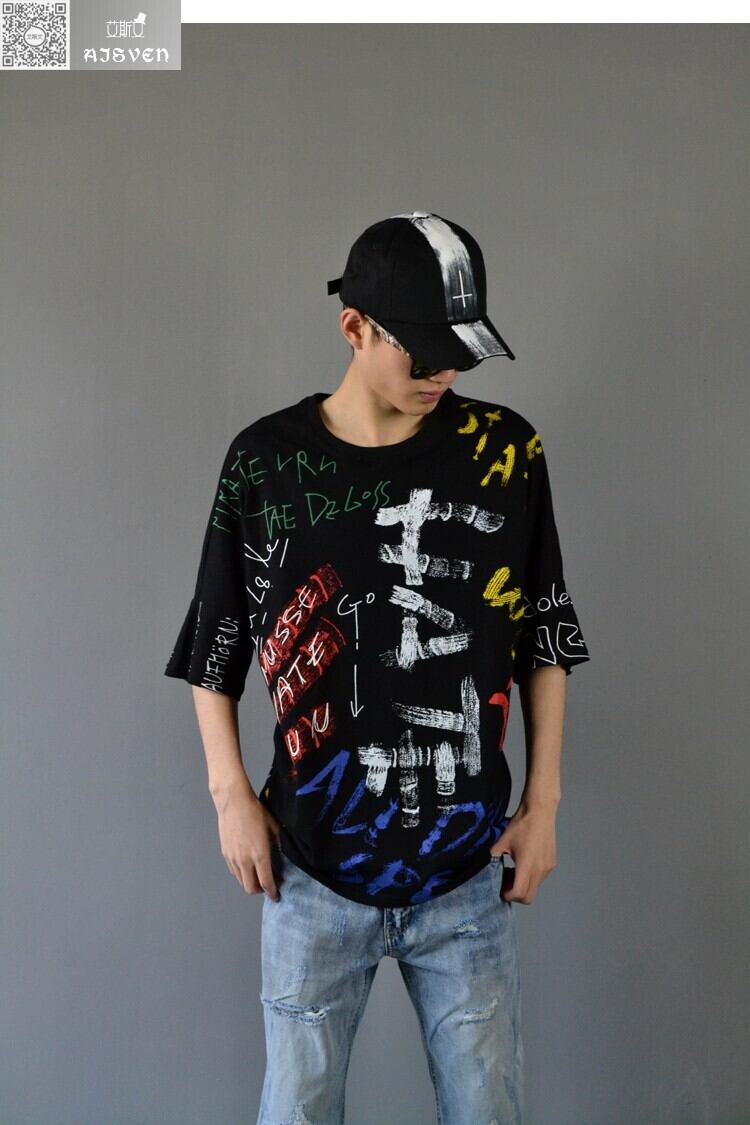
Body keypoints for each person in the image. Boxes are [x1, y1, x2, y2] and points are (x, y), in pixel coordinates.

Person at [164, 210, 591, 1125]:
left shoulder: (505, 452)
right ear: (354, 327)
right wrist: (230, 797)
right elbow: (215, 645)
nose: (444, 375)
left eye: (460, 356)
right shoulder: (266, 464)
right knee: (297, 1109)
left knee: (488, 1110)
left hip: (467, 871)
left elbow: (545, 633)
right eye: (424, 353)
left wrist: (544, 806)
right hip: (311, 867)